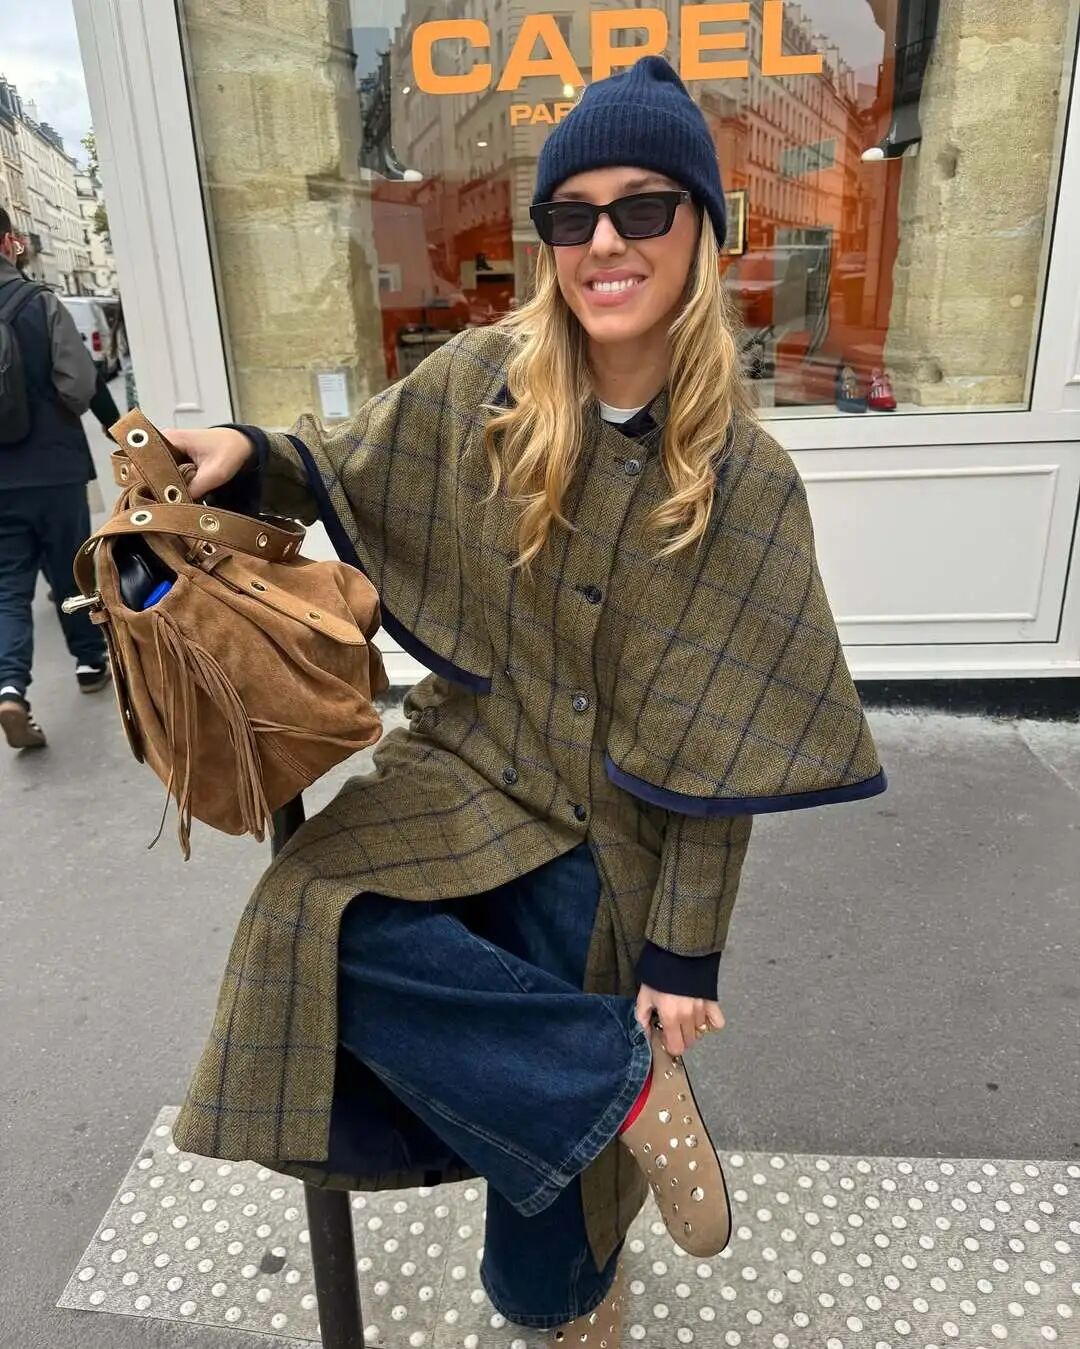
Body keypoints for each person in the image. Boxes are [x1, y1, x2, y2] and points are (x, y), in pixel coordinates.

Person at [163, 58, 886, 1346]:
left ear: (702, 228)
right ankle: (616, 1083)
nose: (605, 241)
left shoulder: (746, 479)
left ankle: (572, 1288)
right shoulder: (480, 383)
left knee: (541, 1253)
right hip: (464, 771)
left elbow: (723, 749)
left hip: (616, 836)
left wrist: (683, 952)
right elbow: (346, 463)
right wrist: (251, 456)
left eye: (643, 207)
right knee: (311, 919)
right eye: (572, 215)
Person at [0, 207, 110, 751]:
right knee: (71, 570)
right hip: (56, 467)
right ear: (9, 243)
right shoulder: (40, 302)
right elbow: (77, 385)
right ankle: (90, 663)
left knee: (7, 586)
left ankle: (9, 687)